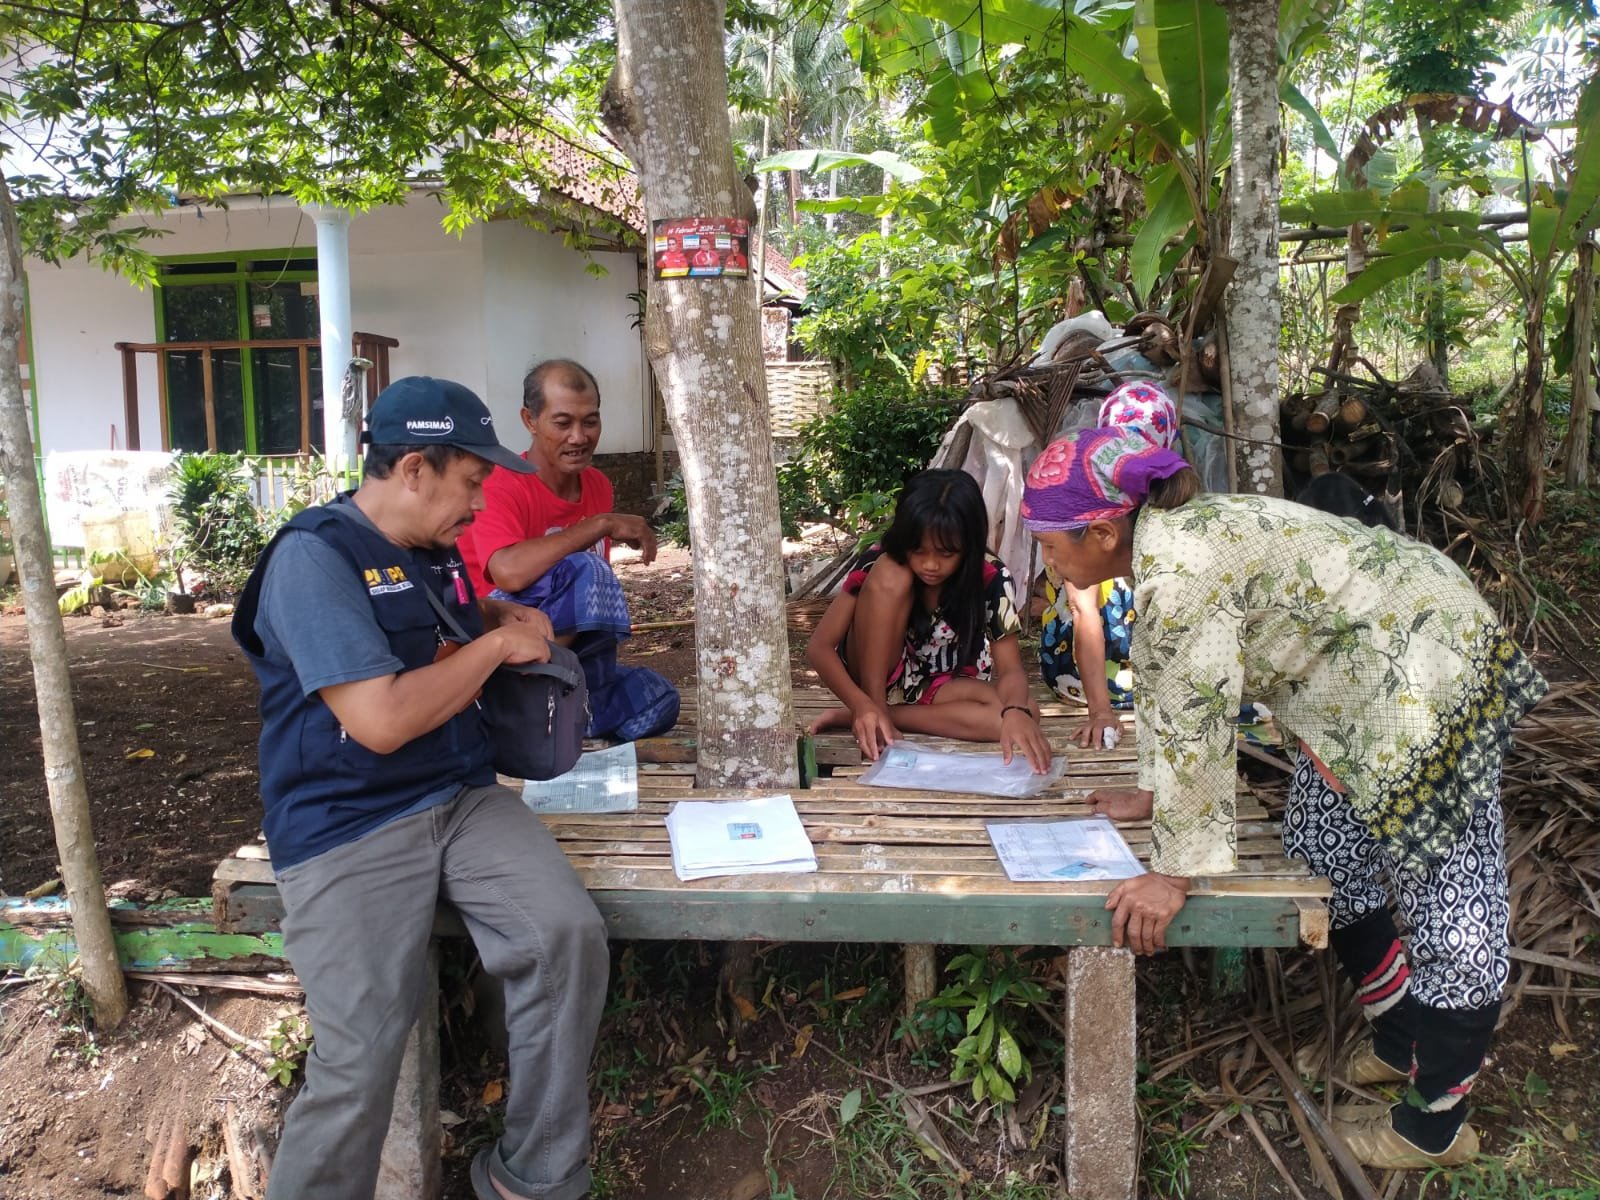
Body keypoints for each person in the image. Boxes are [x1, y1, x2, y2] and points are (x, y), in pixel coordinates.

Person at [1022, 428, 1546, 1171]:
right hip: (1358, 689)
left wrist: (1172, 875)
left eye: (1047, 545)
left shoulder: (1179, 578)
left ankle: (1435, 1125)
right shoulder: (1173, 540)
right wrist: (1155, 794)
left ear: (1103, 533)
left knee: (1450, 914)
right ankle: (1401, 1039)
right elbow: (1188, 714)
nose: (1045, 562)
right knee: (1322, 851)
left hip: (1428, 673)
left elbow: (1194, 707)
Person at [231, 376, 610, 1200]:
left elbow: (438, 629)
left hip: (460, 796)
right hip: (349, 823)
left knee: (563, 937)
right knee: (360, 1051)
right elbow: (378, 718)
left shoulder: (431, 549)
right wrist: (493, 653)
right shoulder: (313, 559)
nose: (481, 503)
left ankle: (534, 1176)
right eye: (471, 482)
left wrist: (496, 618)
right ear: (413, 469)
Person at [458, 358, 679, 742]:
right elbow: (507, 572)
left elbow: (585, 613)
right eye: (563, 423)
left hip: (574, 661)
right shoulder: (500, 484)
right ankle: (522, 701)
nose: (579, 437)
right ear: (530, 420)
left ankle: (556, 714)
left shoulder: (596, 486)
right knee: (587, 570)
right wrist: (600, 524)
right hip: (495, 649)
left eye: (590, 421)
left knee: (658, 699)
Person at [807, 468, 1053, 772]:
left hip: (940, 684)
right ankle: (874, 707)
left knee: (1026, 712)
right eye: (918, 550)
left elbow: (1012, 668)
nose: (930, 564)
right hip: (879, 674)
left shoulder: (991, 576)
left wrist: (1015, 710)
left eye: (946, 553)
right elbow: (819, 647)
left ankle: (876, 715)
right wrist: (863, 701)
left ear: (969, 546)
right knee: (891, 573)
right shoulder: (881, 558)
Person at [1038, 380, 1178, 749]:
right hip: (1085, 673)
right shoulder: (1088, 510)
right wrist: (1101, 713)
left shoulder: (1169, 521)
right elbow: (1083, 615)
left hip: (1148, 667)